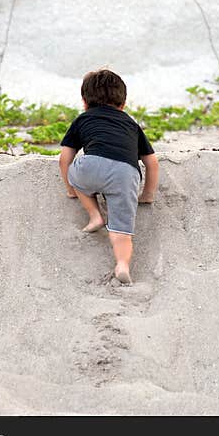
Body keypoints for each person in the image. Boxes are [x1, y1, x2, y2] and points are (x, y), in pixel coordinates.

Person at [59, 69, 159, 285]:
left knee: (78, 178)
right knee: (122, 231)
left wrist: (71, 187)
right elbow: (151, 162)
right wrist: (147, 194)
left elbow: (65, 159)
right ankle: (122, 264)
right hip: (126, 173)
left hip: (91, 167)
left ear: (84, 102)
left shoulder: (82, 119)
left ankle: (95, 215)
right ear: (123, 104)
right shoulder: (131, 124)